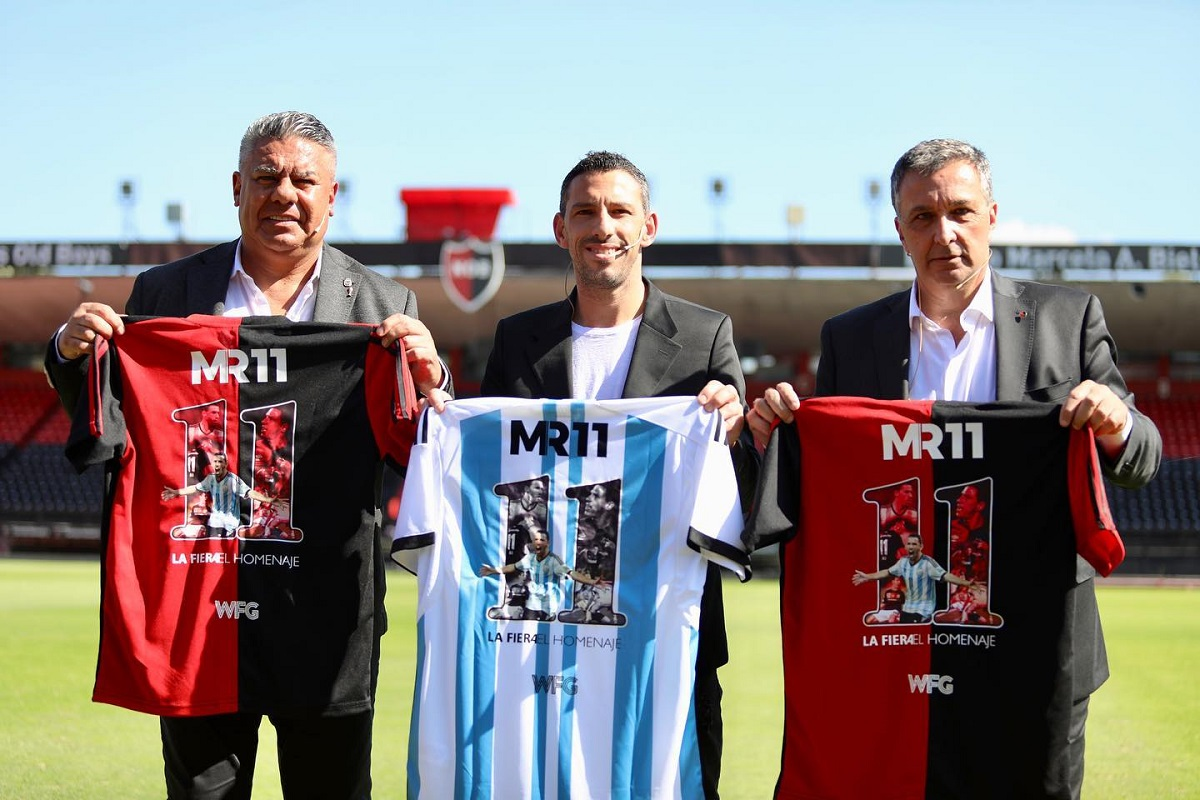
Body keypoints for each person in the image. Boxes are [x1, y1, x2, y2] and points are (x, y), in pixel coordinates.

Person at [44, 111, 451, 800]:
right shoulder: (164, 293)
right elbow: (111, 420)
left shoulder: (382, 302)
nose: (283, 193)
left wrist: (432, 378)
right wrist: (69, 351)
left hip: (324, 617)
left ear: (331, 195)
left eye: (303, 180)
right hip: (198, 612)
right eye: (266, 177)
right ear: (238, 187)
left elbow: (422, 448)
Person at [749, 138, 1162, 798]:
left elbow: (1142, 456)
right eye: (923, 217)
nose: (944, 233)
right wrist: (773, 436)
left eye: (961, 212)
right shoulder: (850, 338)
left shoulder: (1068, 318)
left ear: (992, 216)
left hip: (1035, 645)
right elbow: (834, 486)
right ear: (899, 230)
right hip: (897, 653)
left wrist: (1115, 424)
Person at [479, 150, 758, 799]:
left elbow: (740, 486)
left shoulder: (705, 336)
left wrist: (735, 433)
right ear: (561, 229)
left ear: (648, 226)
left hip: (664, 636)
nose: (602, 226)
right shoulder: (517, 339)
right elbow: (492, 473)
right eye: (585, 212)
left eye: (619, 211)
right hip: (543, 632)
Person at [479, 528, 605, 620]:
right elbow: (513, 567)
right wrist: (494, 570)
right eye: (536, 540)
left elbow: (571, 573)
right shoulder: (529, 558)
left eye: (542, 540)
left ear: (547, 543)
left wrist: (591, 582)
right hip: (532, 604)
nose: (538, 543)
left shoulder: (554, 560)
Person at [852, 532, 975, 623]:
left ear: (921, 546)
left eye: (914, 544)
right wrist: (868, 576)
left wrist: (967, 583)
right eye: (909, 544)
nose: (911, 547)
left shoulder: (928, 563)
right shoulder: (903, 562)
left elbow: (946, 576)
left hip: (923, 611)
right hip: (907, 610)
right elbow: (886, 572)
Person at [162, 453, 272, 539]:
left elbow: (251, 496)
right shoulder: (202, 495)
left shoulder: (234, 482)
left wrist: (268, 500)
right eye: (215, 462)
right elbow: (180, 530)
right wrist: (177, 492)